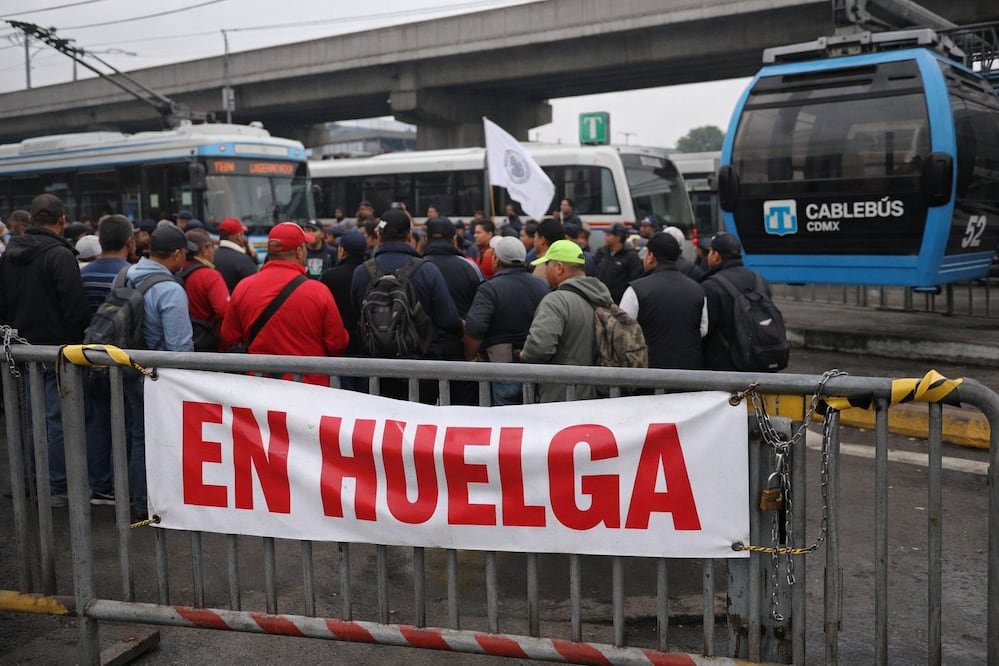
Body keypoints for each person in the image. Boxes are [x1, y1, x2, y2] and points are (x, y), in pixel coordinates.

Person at [0, 194, 91, 507]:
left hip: (19, 352)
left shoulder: (9, 254)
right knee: (54, 420)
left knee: (28, 417)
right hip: (56, 352)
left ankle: (29, 480)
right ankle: (55, 488)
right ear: (62, 219)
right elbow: (75, 307)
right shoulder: (60, 256)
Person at [350, 208, 462, 403]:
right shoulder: (427, 271)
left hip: (374, 370)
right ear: (410, 235)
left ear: (378, 235)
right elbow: (449, 320)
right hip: (421, 370)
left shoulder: (362, 272)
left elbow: (354, 318)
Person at [125, 224, 198, 518]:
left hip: (126, 369)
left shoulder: (126, 274)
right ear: (177, 254)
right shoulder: (170, 289)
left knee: (136, 435)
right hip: (157, 378)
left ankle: (138, 499)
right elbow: (180, 347)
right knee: (155, 440)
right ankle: (149, 504)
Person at [222, 222, 350, 386]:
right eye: (305, 247)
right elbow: (337, 344)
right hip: (310, 388)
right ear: (299, 252)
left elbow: (229, 336)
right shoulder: (318, 292)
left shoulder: (244, 287)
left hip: (259, 389)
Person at [79, 214, 136, 505]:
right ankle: (123, 484)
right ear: (129, 241)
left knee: (97, 423)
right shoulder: (129, 274)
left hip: (89, 360)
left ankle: (101, 486)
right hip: (121, 362)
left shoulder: (84, 273)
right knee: (126, 425)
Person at [520, 239, 613, 403]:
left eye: (547, 264)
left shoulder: (556, 301)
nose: (544, 270)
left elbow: (539, 349)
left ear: (559, 267)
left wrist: (523, 354)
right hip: (600, 397)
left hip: (561, 399)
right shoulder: (603, 297)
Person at [464, 236, 549, 405]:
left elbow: (475, 327)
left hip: (500, 368)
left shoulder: (490, 288)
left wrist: (472, 358)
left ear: (496, 260)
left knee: (504, 423)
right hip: (534, 367)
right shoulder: (542, 286)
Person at [619, 232, 708, 370]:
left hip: (649, 371)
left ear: (651, 257)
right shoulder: (698, 290)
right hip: (689, 371)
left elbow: (623, 332)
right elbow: (702, 330)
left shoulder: (636, 290)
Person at [700, 231, 772, 371]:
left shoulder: (711, 286)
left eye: (710, 252)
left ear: (716, 256)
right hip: (758, 358)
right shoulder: (758, 279)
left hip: (724, 366)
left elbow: (705, 329)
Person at [319, 229, 368, 392]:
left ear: (342, 251)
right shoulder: (370, 273)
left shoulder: (329, 276)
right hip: (367, 349)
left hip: (340, 349)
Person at [181, 228, 229, 351]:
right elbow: (224, 311)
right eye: (212, 247)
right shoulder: (210, 276)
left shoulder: (178, 271)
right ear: (204, 250)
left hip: (186, 338)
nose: (214, 251)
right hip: (210, 342)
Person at [594, 222, 643, 303]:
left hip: (620, 301)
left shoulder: (631, 256)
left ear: (619, 237)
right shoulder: (601, 252)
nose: (606, 237)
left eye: (609, 235)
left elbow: (635, 279)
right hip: (601, 299)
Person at [214, 217, 258, 292]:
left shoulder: (211, 255)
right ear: (239, 236)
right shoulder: (243, 260)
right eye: (242, 235)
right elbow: (256, 288)